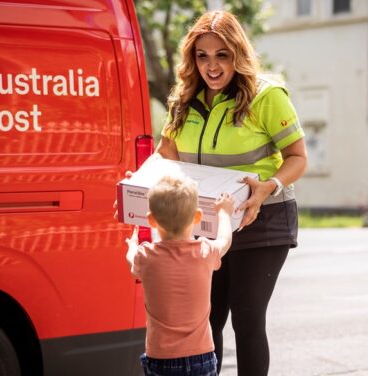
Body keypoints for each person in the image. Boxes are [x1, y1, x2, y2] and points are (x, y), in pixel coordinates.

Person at [152, 10, 308, 376]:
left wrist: (269, 186)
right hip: (205, 221)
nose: (212, 66)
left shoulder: (266, 97)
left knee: (247, 319)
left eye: (222, 55)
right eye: (202, 56)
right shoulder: (183, 100)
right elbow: (166, 155)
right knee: (207, 319)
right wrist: (144, 183)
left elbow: (298, 157)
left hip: (262, 219)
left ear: (237, 53)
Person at [125, 175, 235, 376]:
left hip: (161, 357)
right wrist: (224, 213)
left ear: (151, 220)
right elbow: (225, 240)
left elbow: (131, 257)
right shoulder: (205, 252)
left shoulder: (146, 256)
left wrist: (132, 244)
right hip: (201, 355)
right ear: (197, 217)